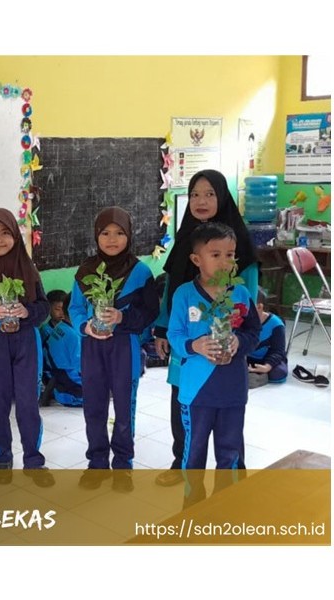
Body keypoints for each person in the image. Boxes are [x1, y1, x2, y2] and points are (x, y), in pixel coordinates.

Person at [153, 169, 259, 487]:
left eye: (210, 194)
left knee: (229, 420)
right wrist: (162, 329)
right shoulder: (185, 239)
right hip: (188, 339)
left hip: (228, 345)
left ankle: (233, 475)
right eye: (195, 194)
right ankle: (182, 462)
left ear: (222, 197)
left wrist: (237, 335)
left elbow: (247, 299)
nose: (201, 201)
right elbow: (172, 287)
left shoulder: (238, 242)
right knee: (184, 399)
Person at [167, 223, 260, 506]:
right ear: (197, 259)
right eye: (215, 254)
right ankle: (193, 503)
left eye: (230, 255)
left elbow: (253, 332)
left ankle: (224, 504)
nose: (224, 261)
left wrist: (238, 342)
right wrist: (194, 345)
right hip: (196, 392)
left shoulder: (240, 294)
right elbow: (174, 334)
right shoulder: (184, 294)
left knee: (229, 450)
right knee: (194, 450)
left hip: (232, 389)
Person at [69, 207, 159, 492]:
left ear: (129, 235)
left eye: (119, 233)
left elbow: (150, 312)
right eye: (105, 233)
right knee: (93, 407)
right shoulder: (85, 271)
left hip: (125, 347)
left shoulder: (140, 272)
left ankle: (123, 464)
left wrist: (122, 318)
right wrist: (85, 327)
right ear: (96, 235)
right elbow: (75, 308)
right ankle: (96, 463)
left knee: (123, 408)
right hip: (91, 347)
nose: (112, 239)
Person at [0, 208, 53, 487]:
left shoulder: (28, 269)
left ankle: (33, 459)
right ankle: (2, 455)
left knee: (28, 403)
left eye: (5, 233)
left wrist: (27, 312)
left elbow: (44, 308)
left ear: (16, 236)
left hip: (27, 342)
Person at [40, 289, 83, 407]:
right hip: (63, 375)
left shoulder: (61, 326)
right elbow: (79, 365)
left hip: (57, 374)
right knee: (98, 394)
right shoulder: (73, 335)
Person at [247, 287, 288, 385]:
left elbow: (278, 351)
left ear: (259, 307)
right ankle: (251, 375)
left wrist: (267, 367)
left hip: (267, 359)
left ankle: (260, 376)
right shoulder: (240, 320)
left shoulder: (276, 324)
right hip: (246, 358)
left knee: (278, 373)